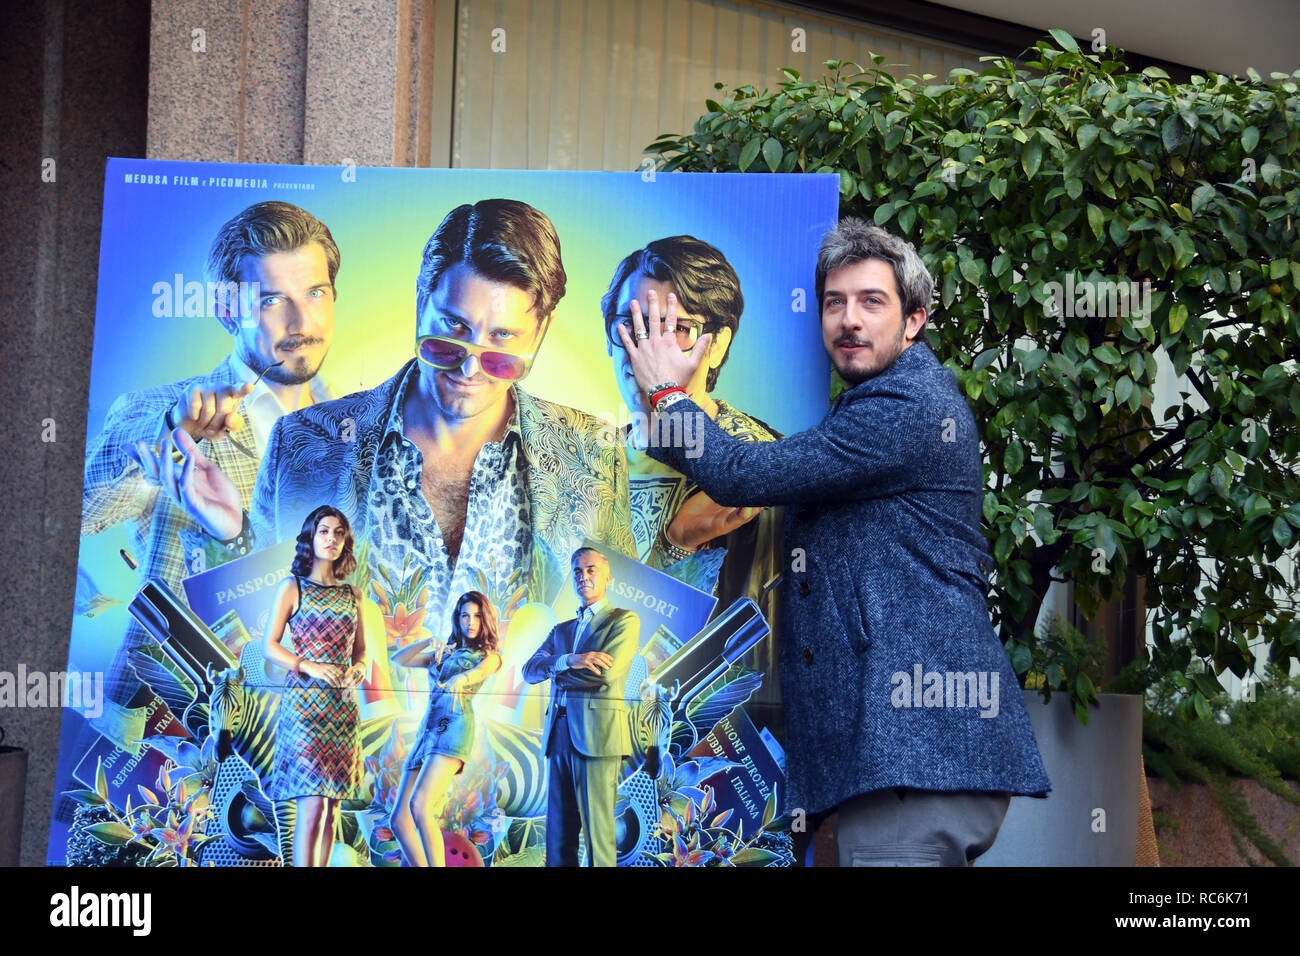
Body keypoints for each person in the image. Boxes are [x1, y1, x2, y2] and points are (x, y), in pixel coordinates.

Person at [617, 219, 1051, 867]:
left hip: (914, 756)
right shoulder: (873, 404)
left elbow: (744, 475)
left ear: (915, 321)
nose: (849, 319)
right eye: (834, 302)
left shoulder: (907, 404)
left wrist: (668, 393)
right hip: (893, 764)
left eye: (872, 302)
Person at [179, 198, 650, 640]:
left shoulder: (593, 452)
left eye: (502, 338)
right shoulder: (304, 443)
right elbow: (263, 635)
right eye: (453, 328)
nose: (469, 367)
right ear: (422, 302)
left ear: (540, 331)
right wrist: (231, 536)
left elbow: (621, 632)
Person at [82, 200, 340, 748]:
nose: (302, 323)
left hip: (313, 736)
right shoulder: (161, 410)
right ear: (228, 311)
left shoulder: (363, 426)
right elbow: (84, 509)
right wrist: (173, 433)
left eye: (315, 293)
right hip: (168, 738)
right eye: (272, 300)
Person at [603, 236, 785, 714]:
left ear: (719, 343)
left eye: (677, 329)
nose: (649, 351)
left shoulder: (760, 464)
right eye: (631, 324)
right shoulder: (582, 458)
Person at [262, 505, 367, 867]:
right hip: (304, 705)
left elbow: (362, 651)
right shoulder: (292, 587)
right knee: (313, 803)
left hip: (341, 706)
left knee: (331, 806)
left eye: (339, 533)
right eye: (324, 531)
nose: (332, 539)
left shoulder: (353, 595)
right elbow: (270, 646)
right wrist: (310, 666)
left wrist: (359, 669)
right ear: (310, 536)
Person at [523, 547, 639, 867]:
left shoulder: (623, 621)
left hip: (597, 738)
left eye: (590, 570)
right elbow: (529, 670)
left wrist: (557, 673)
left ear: (607, 577)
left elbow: (605, 676)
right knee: (558, 837)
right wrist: (569, 660)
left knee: (598, 840)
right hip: (557, 735)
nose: (583, 576)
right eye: (577, 571)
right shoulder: (561, 631)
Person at [389, 591, 502, 867]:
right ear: (457, 618)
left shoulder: (488, 655)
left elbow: (480, 672)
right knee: (398, 820)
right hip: (426, 732)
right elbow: (399, 660)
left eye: (477, 615)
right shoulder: (445, 652)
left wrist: (463, 678)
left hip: (454, 727)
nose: (471, 621)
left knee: (419, 805)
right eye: (465, 615)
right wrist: (429, 641)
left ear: (485, 619)